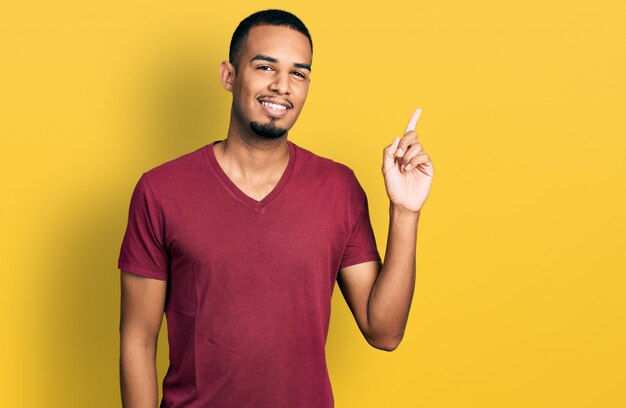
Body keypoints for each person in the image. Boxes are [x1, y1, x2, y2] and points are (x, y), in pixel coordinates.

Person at [118, 9, 434, 408]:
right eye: (266, 67)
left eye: (299, 74)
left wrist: (405, 211)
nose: (282, 86)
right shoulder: (161, 190)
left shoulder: (339, 188)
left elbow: (384, 332)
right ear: (228, 76)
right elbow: (138, 339)